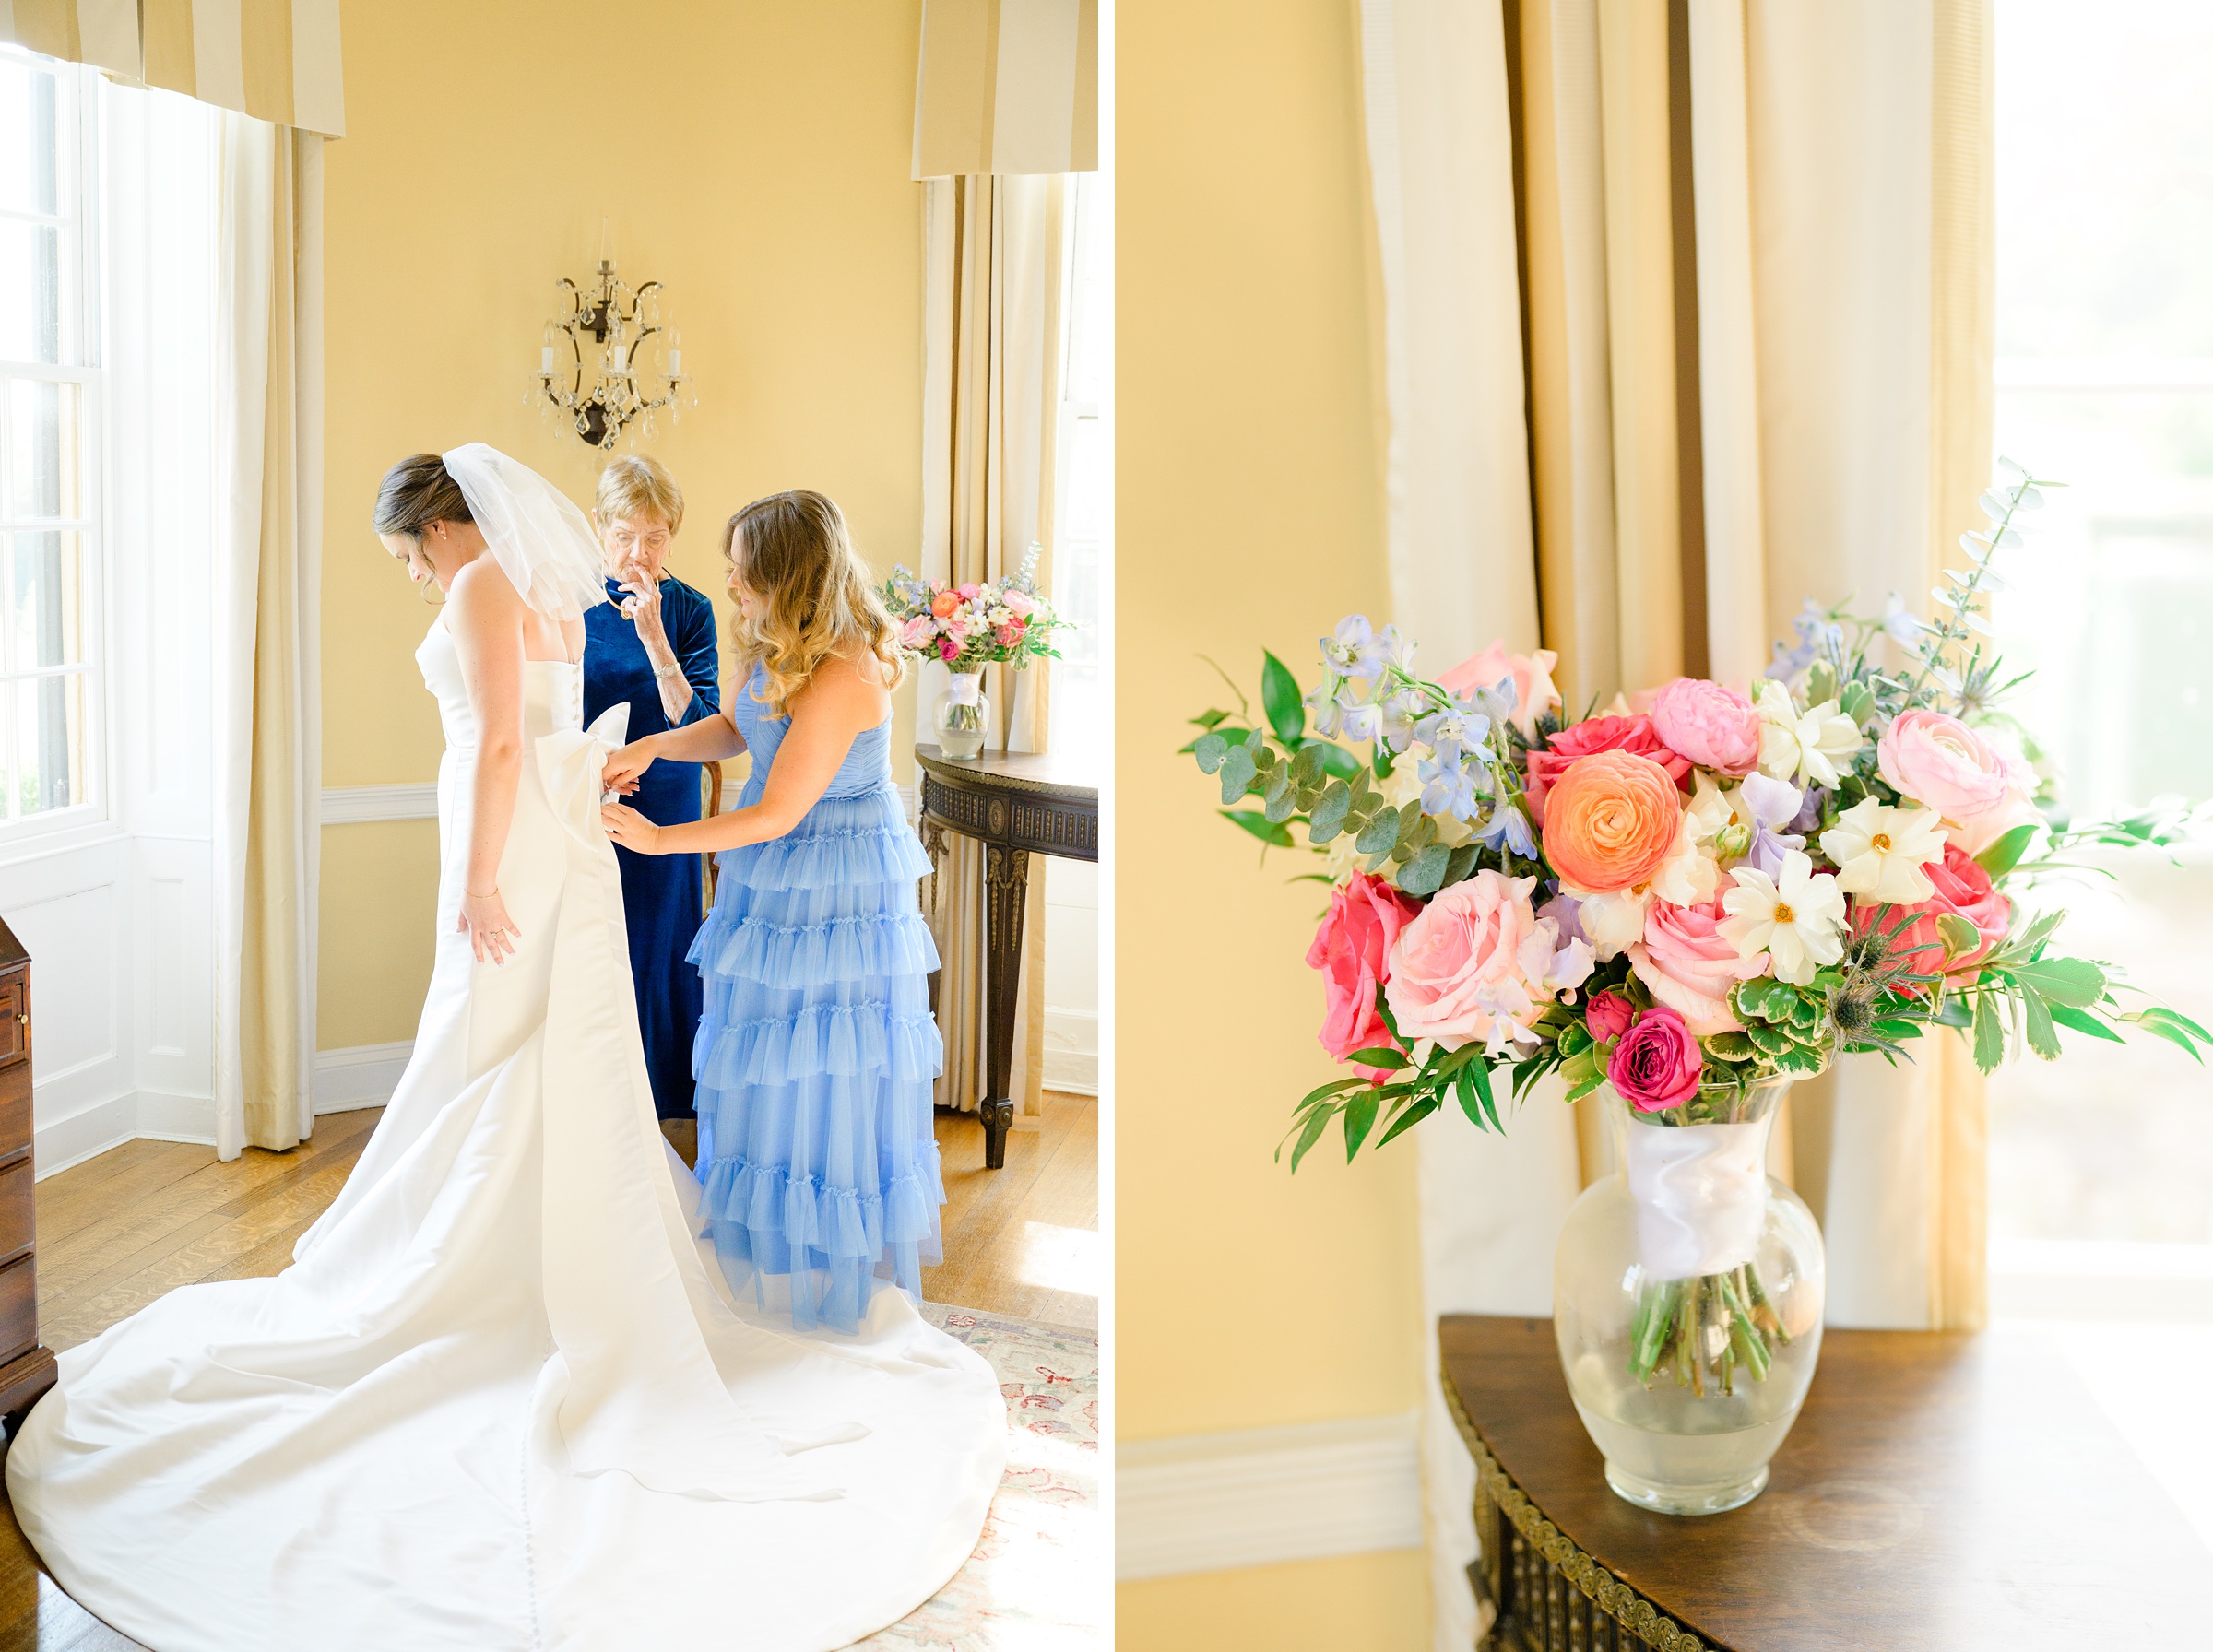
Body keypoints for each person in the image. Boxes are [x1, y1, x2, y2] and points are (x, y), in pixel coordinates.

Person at [4, 447, 1004, 1652]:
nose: (418, 580)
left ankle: (707, 1276)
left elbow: (549, 759)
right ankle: (596, 1253)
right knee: (574, 1064)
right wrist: (643, 765)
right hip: (589, 839)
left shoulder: (504, 591)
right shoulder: (572, 603)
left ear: (436, 529)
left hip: (629, 854)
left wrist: (527, 869)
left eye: (407, 556)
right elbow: (696, 728)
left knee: (603, 1068)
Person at [602, 490, 944, 1335]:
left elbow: (778, 810)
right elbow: (738, 727)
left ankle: (824, 1280)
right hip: (774, 877)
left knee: (818, 1070)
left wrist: (657, 839)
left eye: (743, 571)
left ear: (786, 578)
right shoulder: (782, 643)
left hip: (833, 886)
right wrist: (650, 743)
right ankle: (768, 1258)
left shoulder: (846, 668)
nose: (728, 583)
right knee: (762, 1060)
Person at [581, 454, 719, 1135]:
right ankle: (596, 1096)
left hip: (665, 798)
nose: (640, 552)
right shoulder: (566, 601)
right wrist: (596, 766)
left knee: (660, 941)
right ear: (600, 528)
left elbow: (698, 727)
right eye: (626, 534)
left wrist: (656, 635)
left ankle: (659, 1100)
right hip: (585, 793)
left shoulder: (691, 610)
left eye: (656, 537)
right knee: (593, 938)